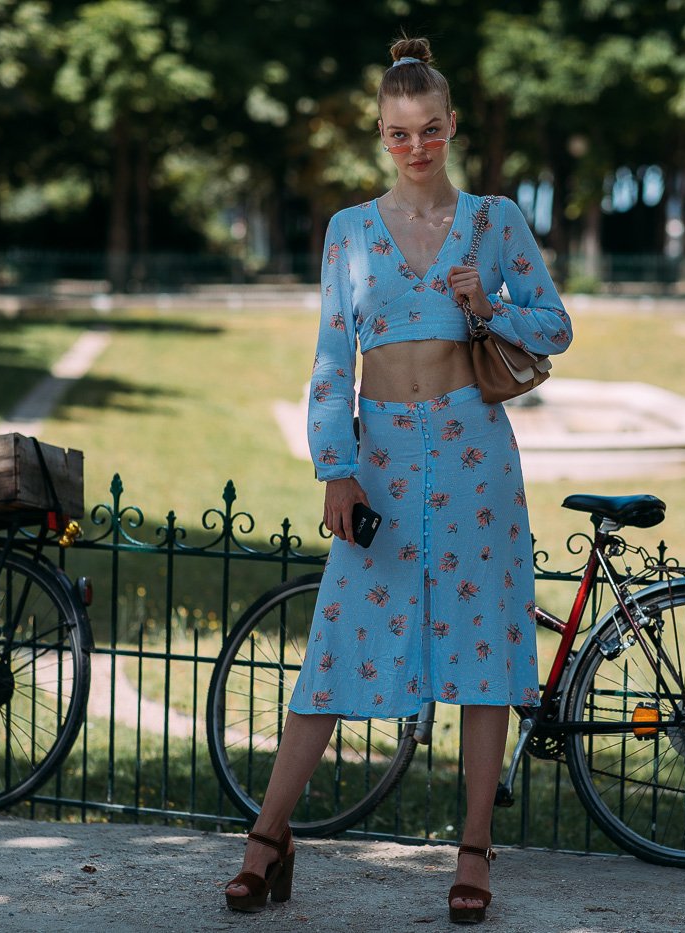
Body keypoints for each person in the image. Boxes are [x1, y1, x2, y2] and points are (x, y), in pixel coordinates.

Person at [223, 35, 572, 925]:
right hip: (378, 462)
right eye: (397, 132)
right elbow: (331, 362)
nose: (415, 145)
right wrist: (336, 469)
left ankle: (474, 849)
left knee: (486, 652)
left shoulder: (495, 221)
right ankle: (269, 839)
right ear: (381, 136)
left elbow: (557, 327)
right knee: (335, 652)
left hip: (472, 454)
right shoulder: (350, 231)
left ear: (451, 126)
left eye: (429, 129)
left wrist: (488, 306)